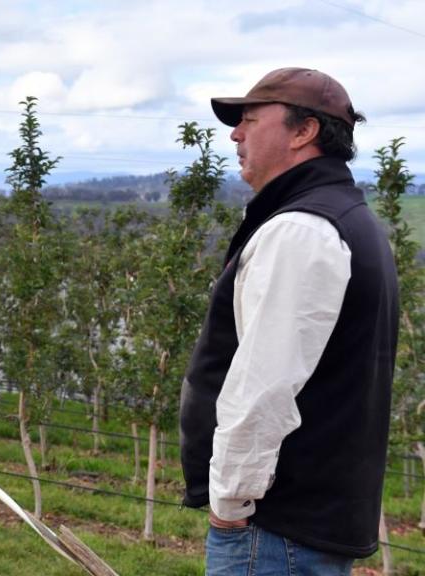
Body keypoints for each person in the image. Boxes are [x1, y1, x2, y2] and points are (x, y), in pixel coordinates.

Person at [179, 67, 399, 575]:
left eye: (250, 120)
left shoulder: (302, 230)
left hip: (274, 527)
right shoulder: (342, 219)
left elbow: (264, 385)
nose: (235, 133)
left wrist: (231, 504)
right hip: (301, 525)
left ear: (304, 132)